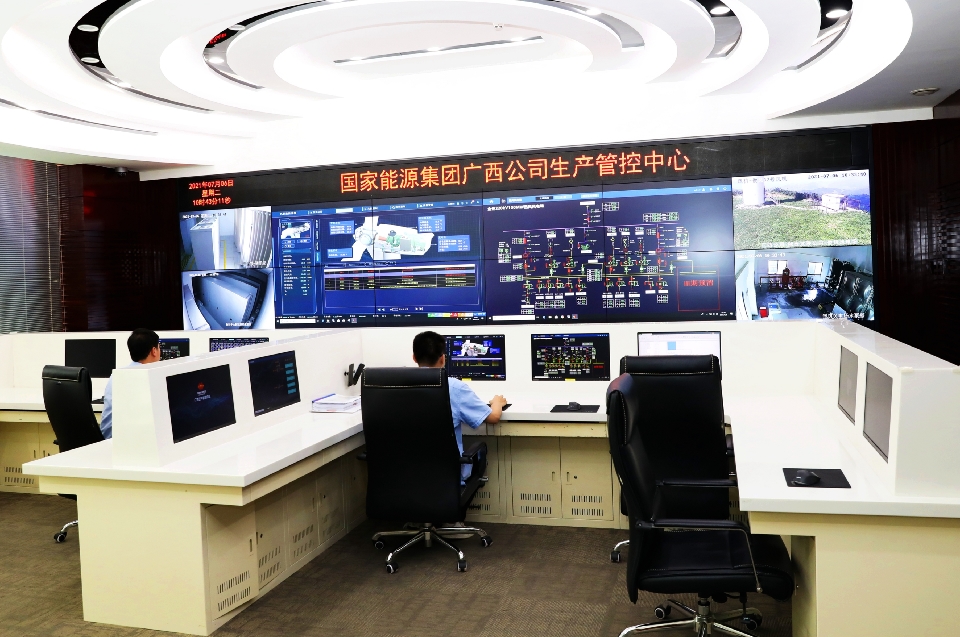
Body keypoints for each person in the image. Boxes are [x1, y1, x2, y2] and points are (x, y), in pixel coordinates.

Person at [412, 331, 507, 482]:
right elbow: (493, 417)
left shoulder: (397, 387)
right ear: (443, 358)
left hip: (408, 478)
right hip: (448, 479)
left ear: (414, 358)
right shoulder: (454, 388)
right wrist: (497, 403)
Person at [100, 328, 162, 439]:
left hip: (108, 439)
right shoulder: (149, 377)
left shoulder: (116, 375)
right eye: (159, 347)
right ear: (154, 351)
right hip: (127, 441)